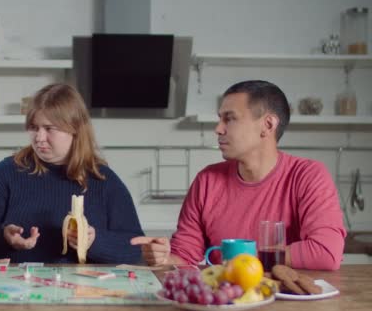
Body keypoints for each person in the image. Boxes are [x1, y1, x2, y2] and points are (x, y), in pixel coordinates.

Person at [131, 80, 346, 271]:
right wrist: (162, 257)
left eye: (230, 119)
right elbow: (185, 256)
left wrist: (240, 259)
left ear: (267, 125)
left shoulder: (308, 176)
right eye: (220, 119)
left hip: (289, 306)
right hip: (224, 305)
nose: (218, 128)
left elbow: (326, 252)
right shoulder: (207, 180)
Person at [0, 83, 144, 263]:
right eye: (33, 128)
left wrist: (96, 242)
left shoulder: (104, 180)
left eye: (49, 129)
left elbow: (137, 248)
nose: (39, 138)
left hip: (85, 291)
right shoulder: (5, 174)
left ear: (75, 130)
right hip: (21, 291)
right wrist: (2, 237)